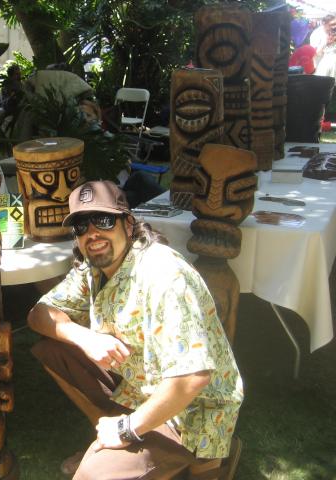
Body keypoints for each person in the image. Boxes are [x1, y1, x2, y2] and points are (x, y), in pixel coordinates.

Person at [27, 180, 244, 479]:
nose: (92, 233)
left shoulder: (163, 274)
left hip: (191, 411)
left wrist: (127, 429)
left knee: (91, 477)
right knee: (54, 347)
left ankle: (205, 459)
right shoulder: (93, 268)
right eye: (81, 226)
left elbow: (192, 378)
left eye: (103, 220)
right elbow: (39, 315)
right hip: (138, 386)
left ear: (128, 225)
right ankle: (113, 442)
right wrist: (85, 337)